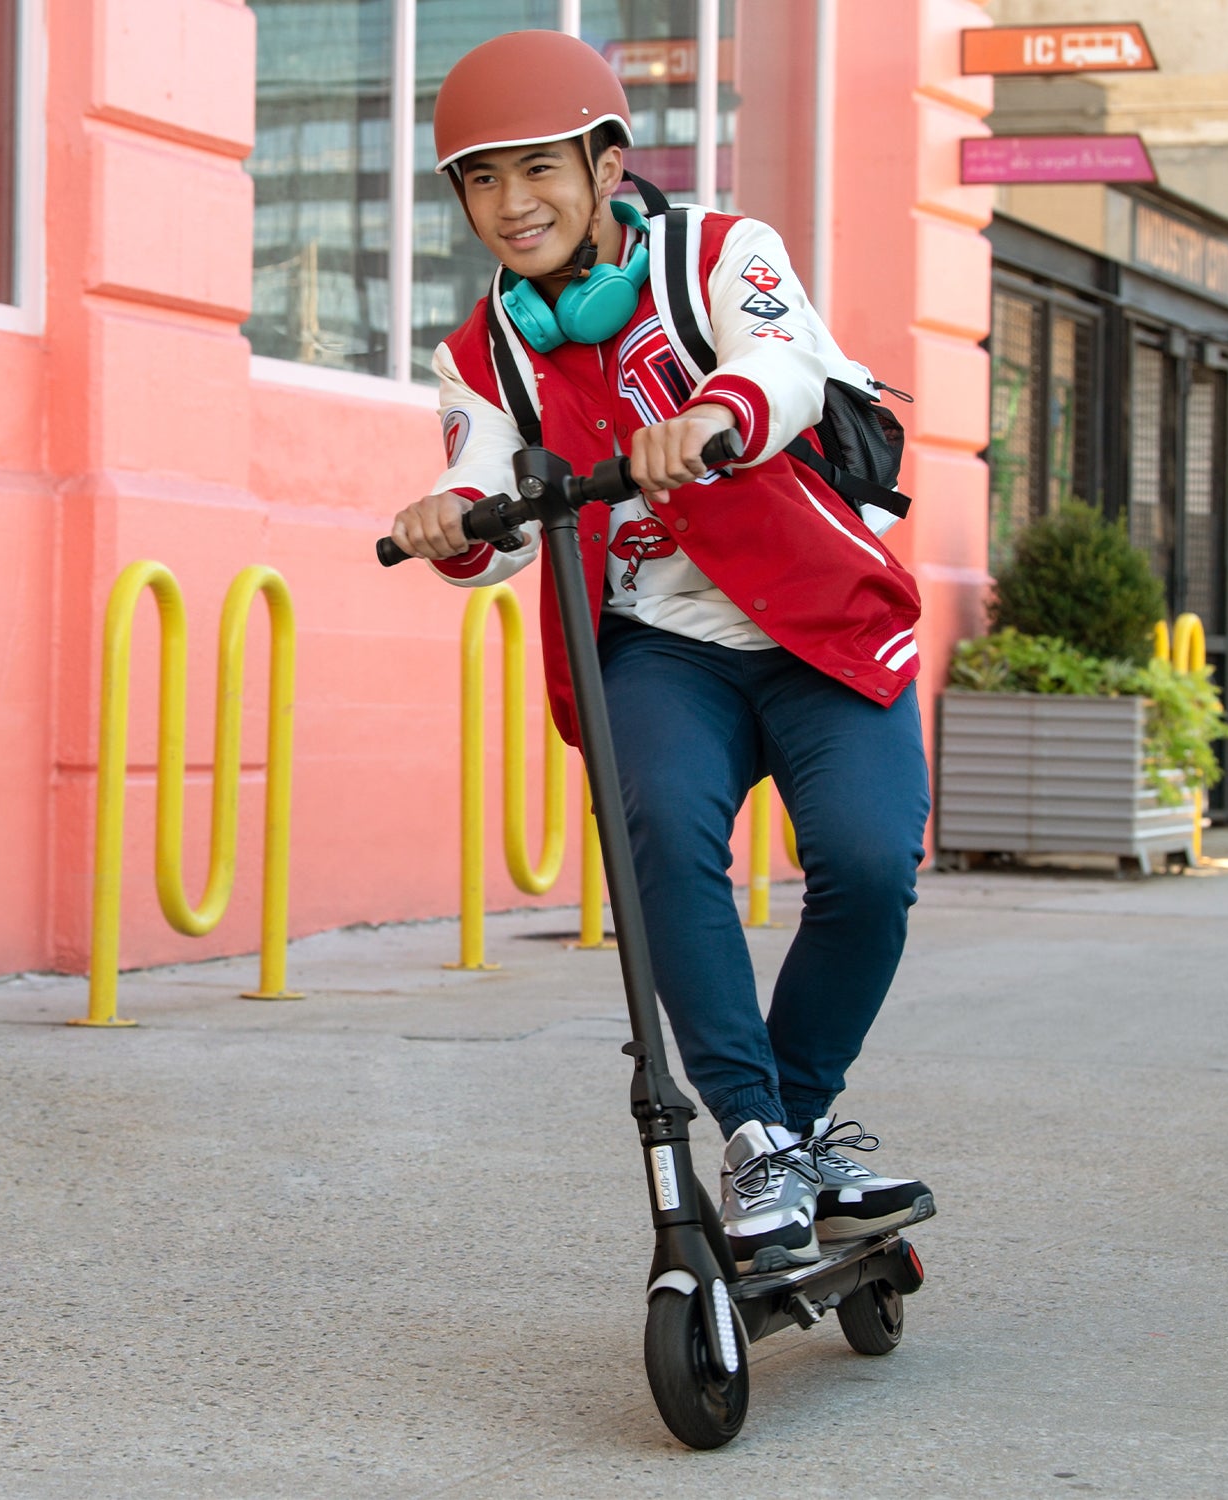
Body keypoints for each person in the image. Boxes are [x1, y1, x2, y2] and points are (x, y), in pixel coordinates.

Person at [390, 30, 934, 1274]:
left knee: (867, 867)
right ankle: (755, 1138)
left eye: (537, 169)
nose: (511, 204)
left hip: (818, 626)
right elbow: (490, 499)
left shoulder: (722, 257)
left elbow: (787, 366)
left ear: (606, 161)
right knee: (663, 856)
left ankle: (794, 1122)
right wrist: (447, 525)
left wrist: (713, 415)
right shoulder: (483, 352)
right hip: (660, 650)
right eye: (481, 180)